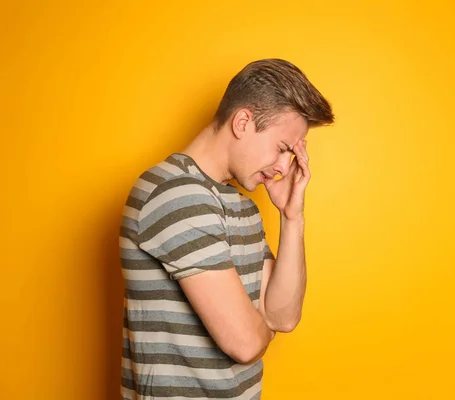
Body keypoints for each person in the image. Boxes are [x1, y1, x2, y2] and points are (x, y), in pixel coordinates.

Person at [119, 58, 334, 399]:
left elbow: (284, 316)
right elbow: (245, 344)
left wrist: (292, 217)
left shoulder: (239, 205)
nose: (283, 167)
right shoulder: (176, 195)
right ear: (243, 121)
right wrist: (261, 325)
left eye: (290, 154)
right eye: (282, 148)